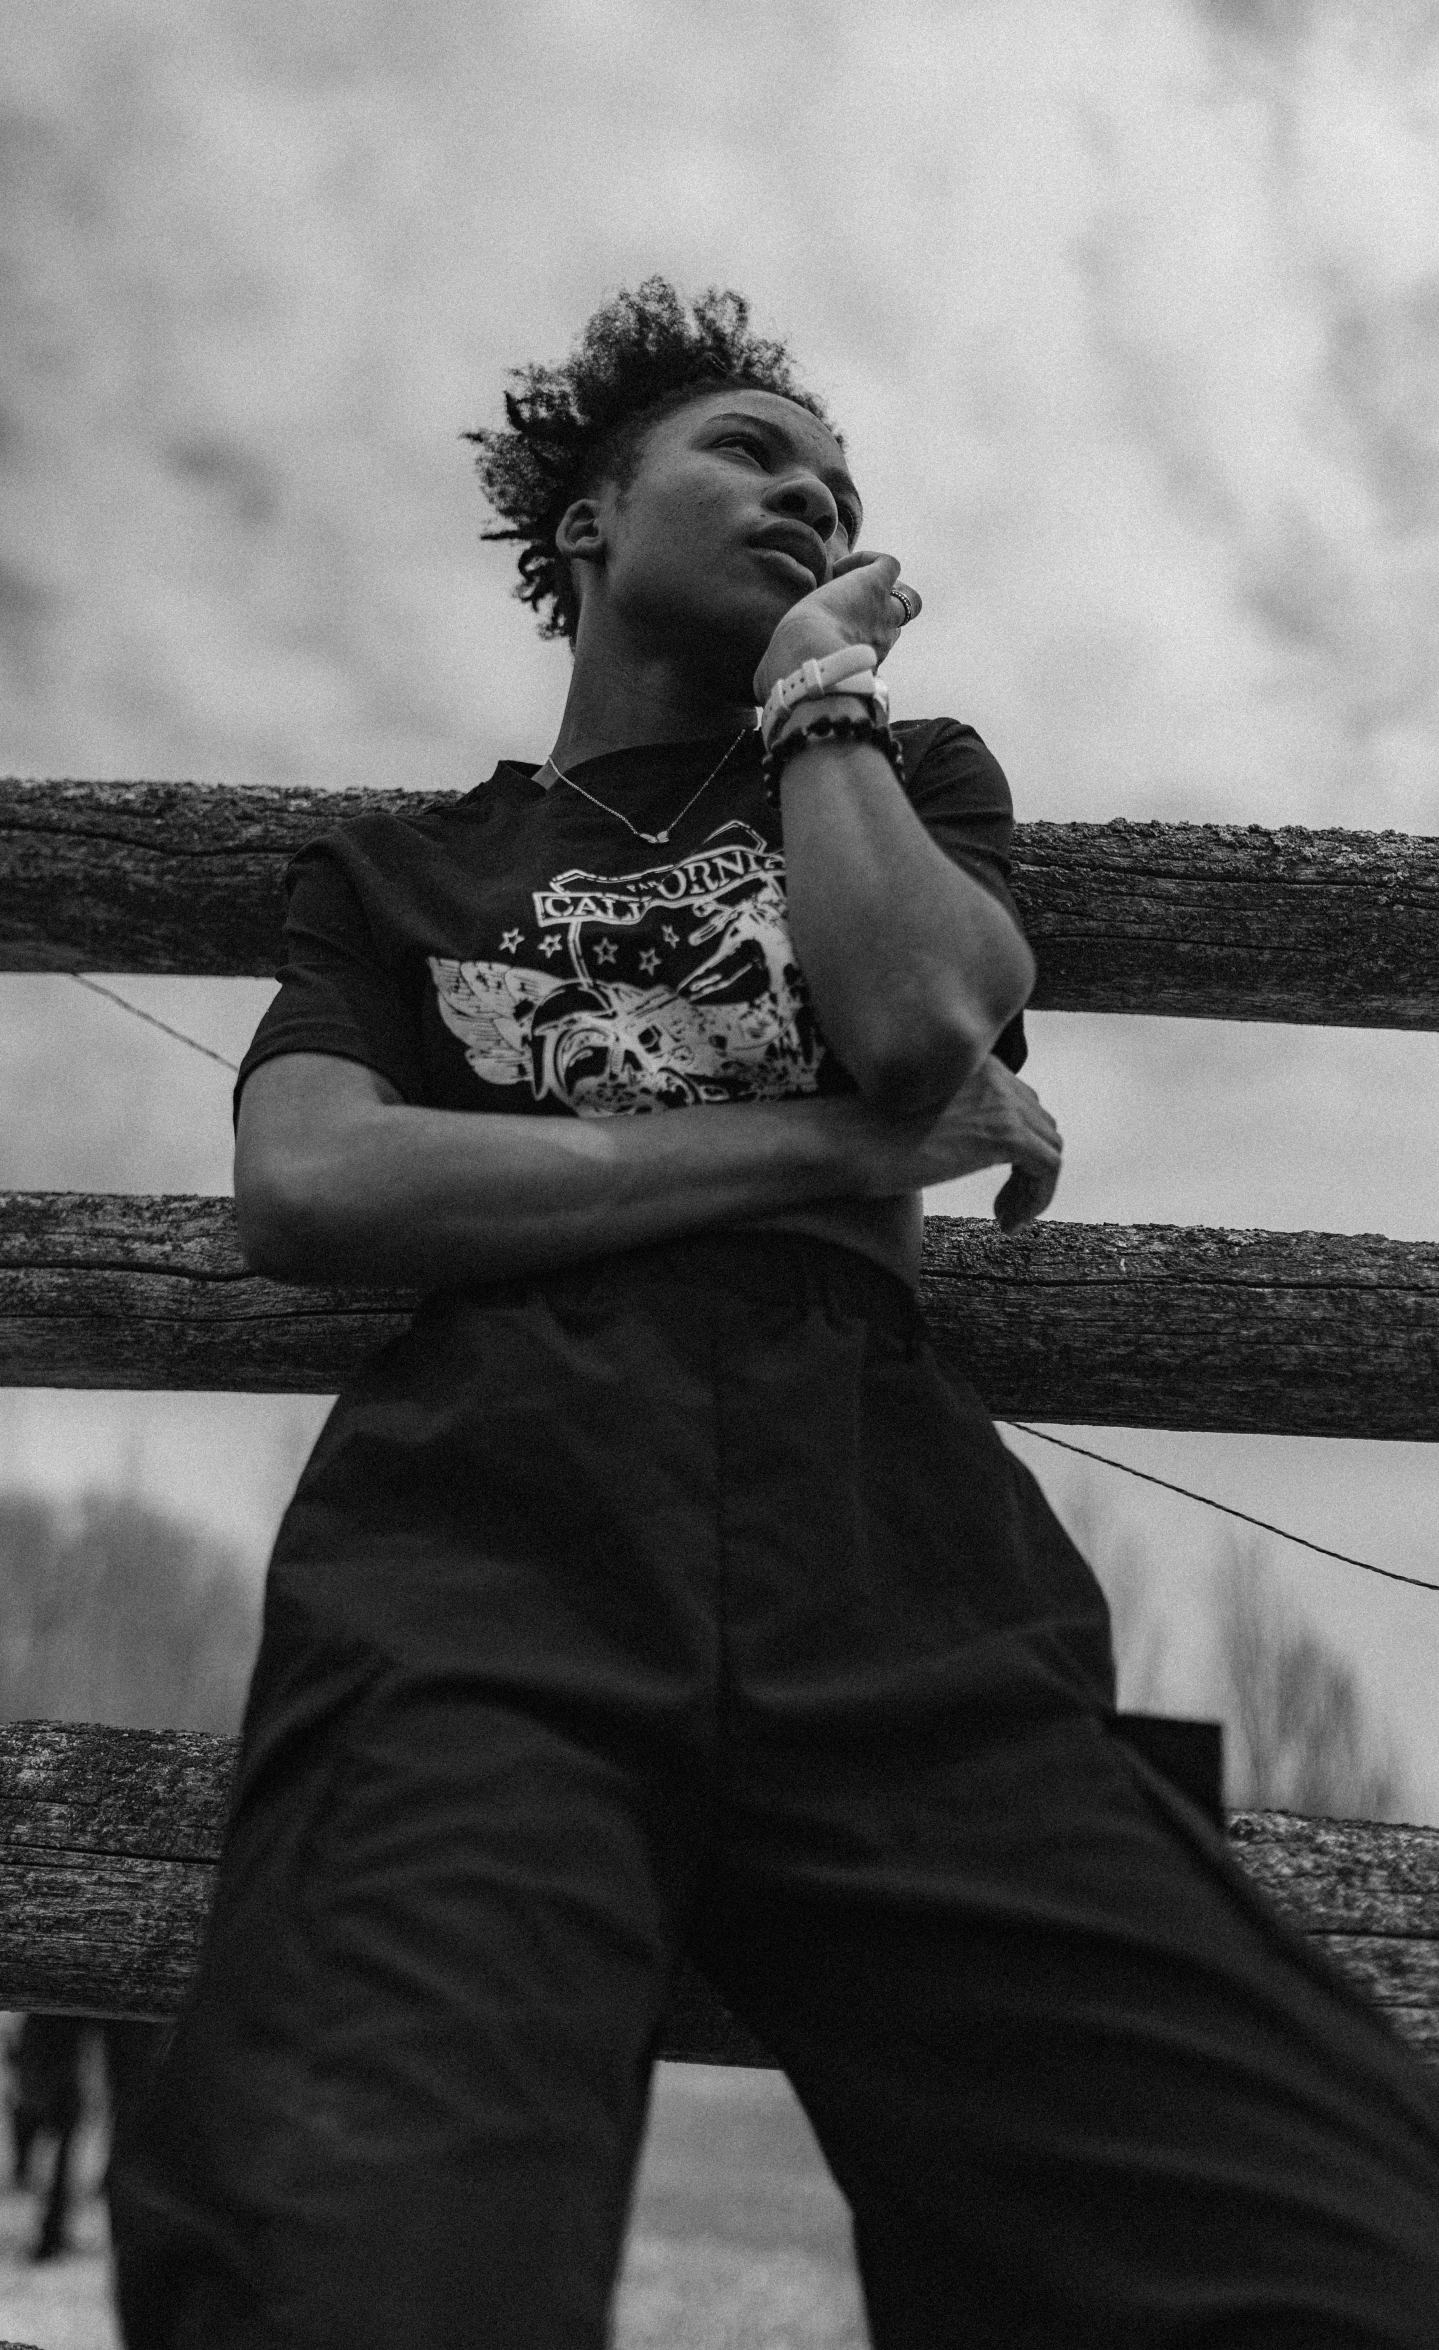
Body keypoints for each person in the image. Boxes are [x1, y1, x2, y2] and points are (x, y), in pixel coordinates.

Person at [111, 279, 1439, 2348]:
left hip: (899, 1559)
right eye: (749, 454)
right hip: (486, 1553)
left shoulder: (910, 784)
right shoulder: (397, 870)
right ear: (586, 520)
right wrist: (831, 1156)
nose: (810, 499)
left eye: (838, 485)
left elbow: (919, 1019)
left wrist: (824, 702)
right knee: (355, 2239)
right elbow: (310, 1180)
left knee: (1318, 2240)